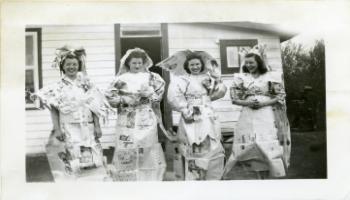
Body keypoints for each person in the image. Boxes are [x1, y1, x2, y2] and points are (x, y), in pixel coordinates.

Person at [34, 46, 112, 180]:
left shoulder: (87, 85)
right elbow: (54, 110)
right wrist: (57, 129)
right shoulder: (57, 87)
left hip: (88, 125)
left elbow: (94, 107)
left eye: (75, 64)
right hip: (69, 126)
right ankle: (77, 185)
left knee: (92, 153)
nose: (72, 67)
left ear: (79, 66)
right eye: (68, 64)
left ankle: (95, 182)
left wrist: (97, 126)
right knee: (74, 155)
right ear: (62, 67)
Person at [223, 46, 291, 179]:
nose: (249, 65)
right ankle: (257, 174)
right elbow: (234, 99)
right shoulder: (241, 78)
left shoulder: (271, 76)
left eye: (251, 63)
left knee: (265, 140)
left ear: (259, 62)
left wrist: (264, 103)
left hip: (266, 112)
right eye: (246, 63)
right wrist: (248, 103)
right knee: (250, 142)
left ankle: (268, 173)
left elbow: (281, 95)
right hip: (248, 113)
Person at [105, 48, 166, 181]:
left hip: (146, 117)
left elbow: (158, 97)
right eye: (134, 63)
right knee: (127, 146)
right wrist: (122, 99)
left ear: (144, 63)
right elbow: (110, 96)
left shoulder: (152, 77)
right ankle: (128, 179)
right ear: (128, 63)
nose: (137, 66)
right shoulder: (121, 79)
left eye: (139, 63)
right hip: (127, 117)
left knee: (147, 147)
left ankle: (147, 178)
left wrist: (150, 93)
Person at [166, 52, 227, 180]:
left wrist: (217, 80)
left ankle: (212, 174)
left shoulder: (207, 77)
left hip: (208, 114)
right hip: (192, 113)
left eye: (197, 64)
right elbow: (174, 97)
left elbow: (218, 93)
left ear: (201, 65)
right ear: (187, 66)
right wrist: (185, 109)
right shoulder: (183, 79)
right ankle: (194, 175)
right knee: (194, 142)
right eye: (192, 64)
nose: (195, 67)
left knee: (211, 142)